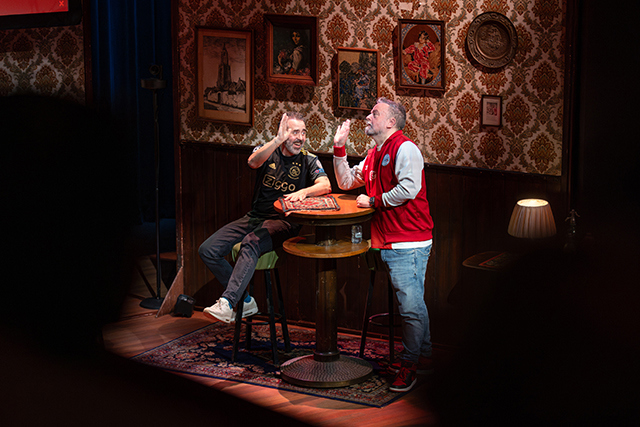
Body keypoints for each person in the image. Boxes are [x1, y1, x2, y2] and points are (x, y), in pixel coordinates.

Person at [332, 97, 434, 392]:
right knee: (413, 303)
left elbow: (409, 189)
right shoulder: (374, 154)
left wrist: (374, 200)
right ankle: (424, 357)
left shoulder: (405, 148)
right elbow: (346, 181)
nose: (368, 116)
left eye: (375, 113)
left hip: (409, 240)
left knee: (410, 307)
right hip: (389, 239)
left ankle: (409, 366)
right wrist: (339, 148)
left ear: (391, 122)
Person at [199, 112, 331, 323]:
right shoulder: (268, 151)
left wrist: (304, 192)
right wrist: (277, 140)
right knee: (208, 250)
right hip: (255, 217)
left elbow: (325, 185)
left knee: (251, 242)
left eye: (304, 133)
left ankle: (228, 302)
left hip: (284, 222)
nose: (300, 138)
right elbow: (252, 162)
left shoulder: (308, 159)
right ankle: (246, 300)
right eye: (294, 132)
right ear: (283, 133)